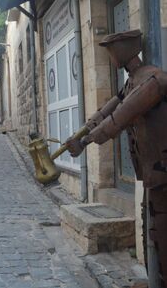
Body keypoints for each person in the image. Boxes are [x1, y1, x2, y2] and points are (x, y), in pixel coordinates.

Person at [66, 29, 167, 287]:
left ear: (125, 50)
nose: (110, 56)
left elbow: (120, 118)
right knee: (152, 231)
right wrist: (84, 131)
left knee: (162, 235)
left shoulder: (152, 80)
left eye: (112, 49)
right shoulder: (132, 80)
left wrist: (87, 141)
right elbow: (108, 109)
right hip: (151, 173)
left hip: (162, 170)